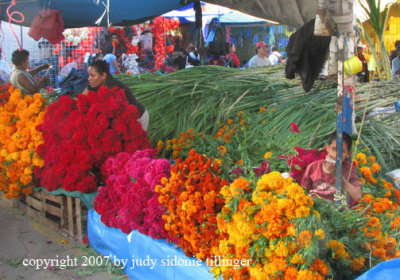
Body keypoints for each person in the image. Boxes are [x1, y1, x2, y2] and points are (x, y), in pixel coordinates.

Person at [82, 60, 149, 131]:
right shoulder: (96, 82)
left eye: (92, 75)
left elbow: (112, 115)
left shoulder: (113, 88)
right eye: (89, 75)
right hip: (123, 121)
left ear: (103, 75)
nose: (89, 78)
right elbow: (82, 98)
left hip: (138, 118)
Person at [301, 131, 361, 206]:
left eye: (342, 152)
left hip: (336, 211)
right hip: (316, 207)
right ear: (327, 148)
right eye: (333, 149)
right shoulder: (313, 167)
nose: (336, 155)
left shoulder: (348, 169)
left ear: (348, 154)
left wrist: (338, 176)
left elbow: (357, 196)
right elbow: (303, 192)